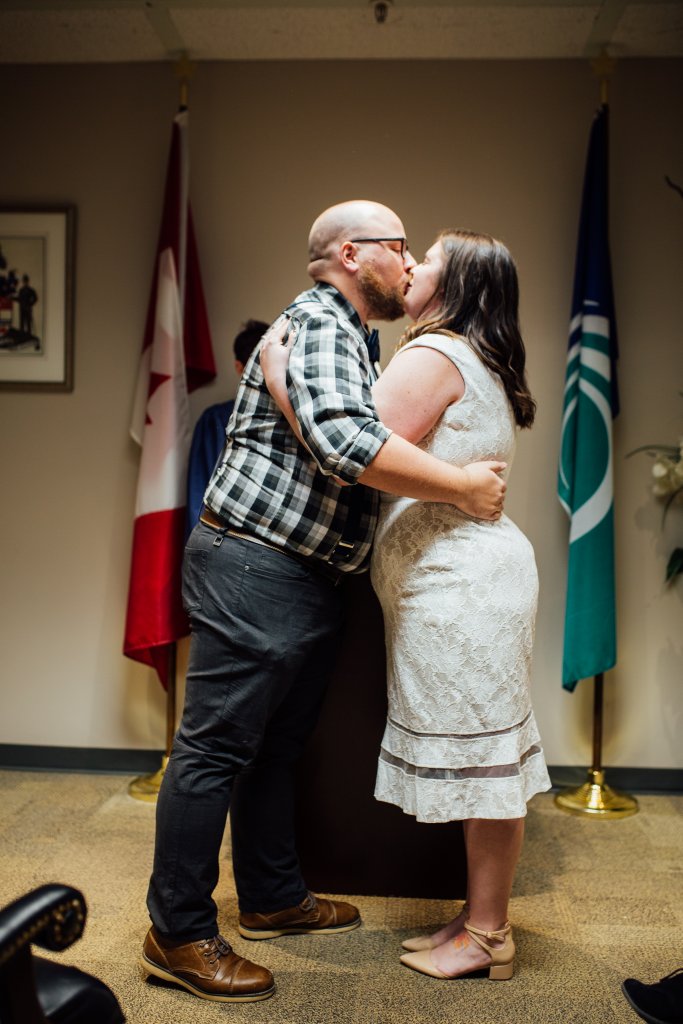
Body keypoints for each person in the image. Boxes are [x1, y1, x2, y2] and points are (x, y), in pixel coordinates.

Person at [142, 201, 507, 1005]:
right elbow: (347, 447)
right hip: (253, 563)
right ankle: (176, 931)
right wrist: (465, 487)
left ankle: (270, 897)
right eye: (399, 247)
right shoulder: (315, 321)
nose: (409, 264)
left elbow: (333, 431)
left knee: (275, 750)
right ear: (352, 253)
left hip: (299, 572)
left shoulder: (353, 334)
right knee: (212, 750)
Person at [263, 228, 551, 983]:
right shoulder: (467, 354)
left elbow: (352, 455)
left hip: (460, 587)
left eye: (426, 260)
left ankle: (488, 935)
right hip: (467, 580)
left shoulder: (433, 354)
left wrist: (280, 384)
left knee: (484, 761)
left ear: (452, 288)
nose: (411, 266)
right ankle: (479, 916)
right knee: (480, 753)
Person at [186, 319, 268, 536]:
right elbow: (199, 496)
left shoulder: (298, 420)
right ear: (239, 367)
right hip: (224, 540)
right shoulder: (215, 421)